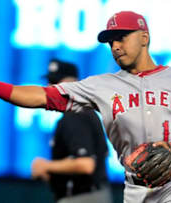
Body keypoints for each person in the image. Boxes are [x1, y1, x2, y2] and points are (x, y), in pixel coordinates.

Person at [0, 11, 171, 203]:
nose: (115, 46)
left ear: (144, 37)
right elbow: (39, 96)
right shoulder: (101, 86)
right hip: (137, 191)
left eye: (121, 37)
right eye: (111, 41)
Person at [30, 59, 113, 203]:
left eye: (55, 82)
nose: (49, 88)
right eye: (49, 82)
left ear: (72, 84)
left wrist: (45, 166)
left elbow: (86, 164)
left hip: (83, 197)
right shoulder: (83, 112)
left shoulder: (75, 114)